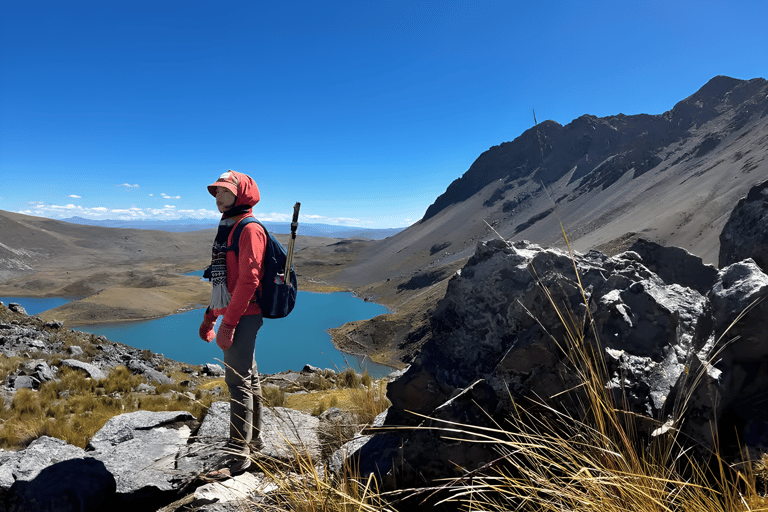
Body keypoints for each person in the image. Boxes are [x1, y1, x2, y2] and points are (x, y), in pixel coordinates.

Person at [198, 170, 267, 477]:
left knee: (237, 383)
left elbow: (249, 280)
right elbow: (223, 283)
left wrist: (228, 325)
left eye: (225, 191)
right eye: (216, 192)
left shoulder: (249, 229)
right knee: (248, 379)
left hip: (245, 317)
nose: (219, 197)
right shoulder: (229, 227)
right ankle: (254, 442)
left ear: (241, 194)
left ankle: (237, 456)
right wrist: (210, 318)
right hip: (238, 316)